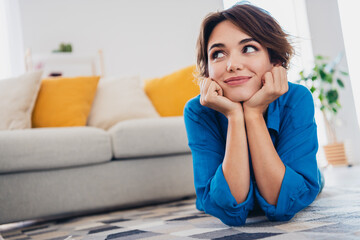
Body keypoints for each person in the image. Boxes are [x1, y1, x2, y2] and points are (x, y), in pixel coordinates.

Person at [184, 3, 323, 226]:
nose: (232, 65)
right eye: (218, 54)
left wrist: (253, 113)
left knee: (311, 179)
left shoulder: (297, 98)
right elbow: (230, 209)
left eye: (248, 48)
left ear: (275, 60)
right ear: (208, 70)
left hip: (297, 173)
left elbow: (282, 203)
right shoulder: (198, 111)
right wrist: (235, 116)